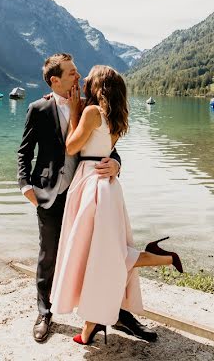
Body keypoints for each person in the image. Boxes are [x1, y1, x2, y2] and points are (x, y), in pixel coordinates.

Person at [17, 53, 159, 343]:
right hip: (51, 195)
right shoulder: (38, 108)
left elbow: (107, 147)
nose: (78, 77)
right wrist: (26, 188)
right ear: (55, 80)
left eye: (79, 72)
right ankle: (45, 313)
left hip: (88, 194)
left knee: (103, 254)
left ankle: (116, 313)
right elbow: (24, 151)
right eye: (71, 73)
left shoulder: (90, 107)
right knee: (49, 257)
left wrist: (116, 165)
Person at [50, 65, 183, 345]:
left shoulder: (90, 112)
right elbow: (106, 150)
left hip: (90, 183)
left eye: (89, 78)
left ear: (98, 85)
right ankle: (93, 323)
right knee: (105, 253)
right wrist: (116, 163)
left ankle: (93, 322)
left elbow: (72, 147)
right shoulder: (116, 117)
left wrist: (74, 112)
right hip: (109, 187)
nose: (83, 80)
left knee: (94, 253)